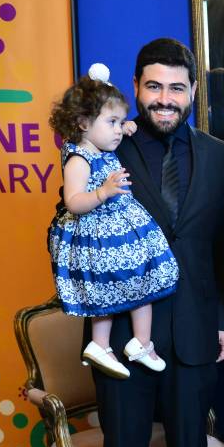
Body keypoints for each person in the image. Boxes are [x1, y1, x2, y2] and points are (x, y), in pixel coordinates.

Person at [95, 38, 224, 447]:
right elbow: (75, 222)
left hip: (197, 325)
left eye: (177, 88)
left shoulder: (219, 156)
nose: (165, 98)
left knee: (189, 439)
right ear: (135, 88)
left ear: (193, 91)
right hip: (123, 334)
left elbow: (223, 248)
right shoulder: (106, 148)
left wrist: (222, 320)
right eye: (153, 86)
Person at [48, 65, 178, 380]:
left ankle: (141, 343)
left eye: (121, 122)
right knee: (103, 290)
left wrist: (125, 125)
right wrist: (102, 192)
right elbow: (73, 201)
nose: (119, 130)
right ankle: (100, 343)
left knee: (144, 278)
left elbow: (117, 129)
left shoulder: (101, 145)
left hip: (118, 231)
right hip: (97, 237)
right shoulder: (79, 159)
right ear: (83, 123)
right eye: (112, 122)